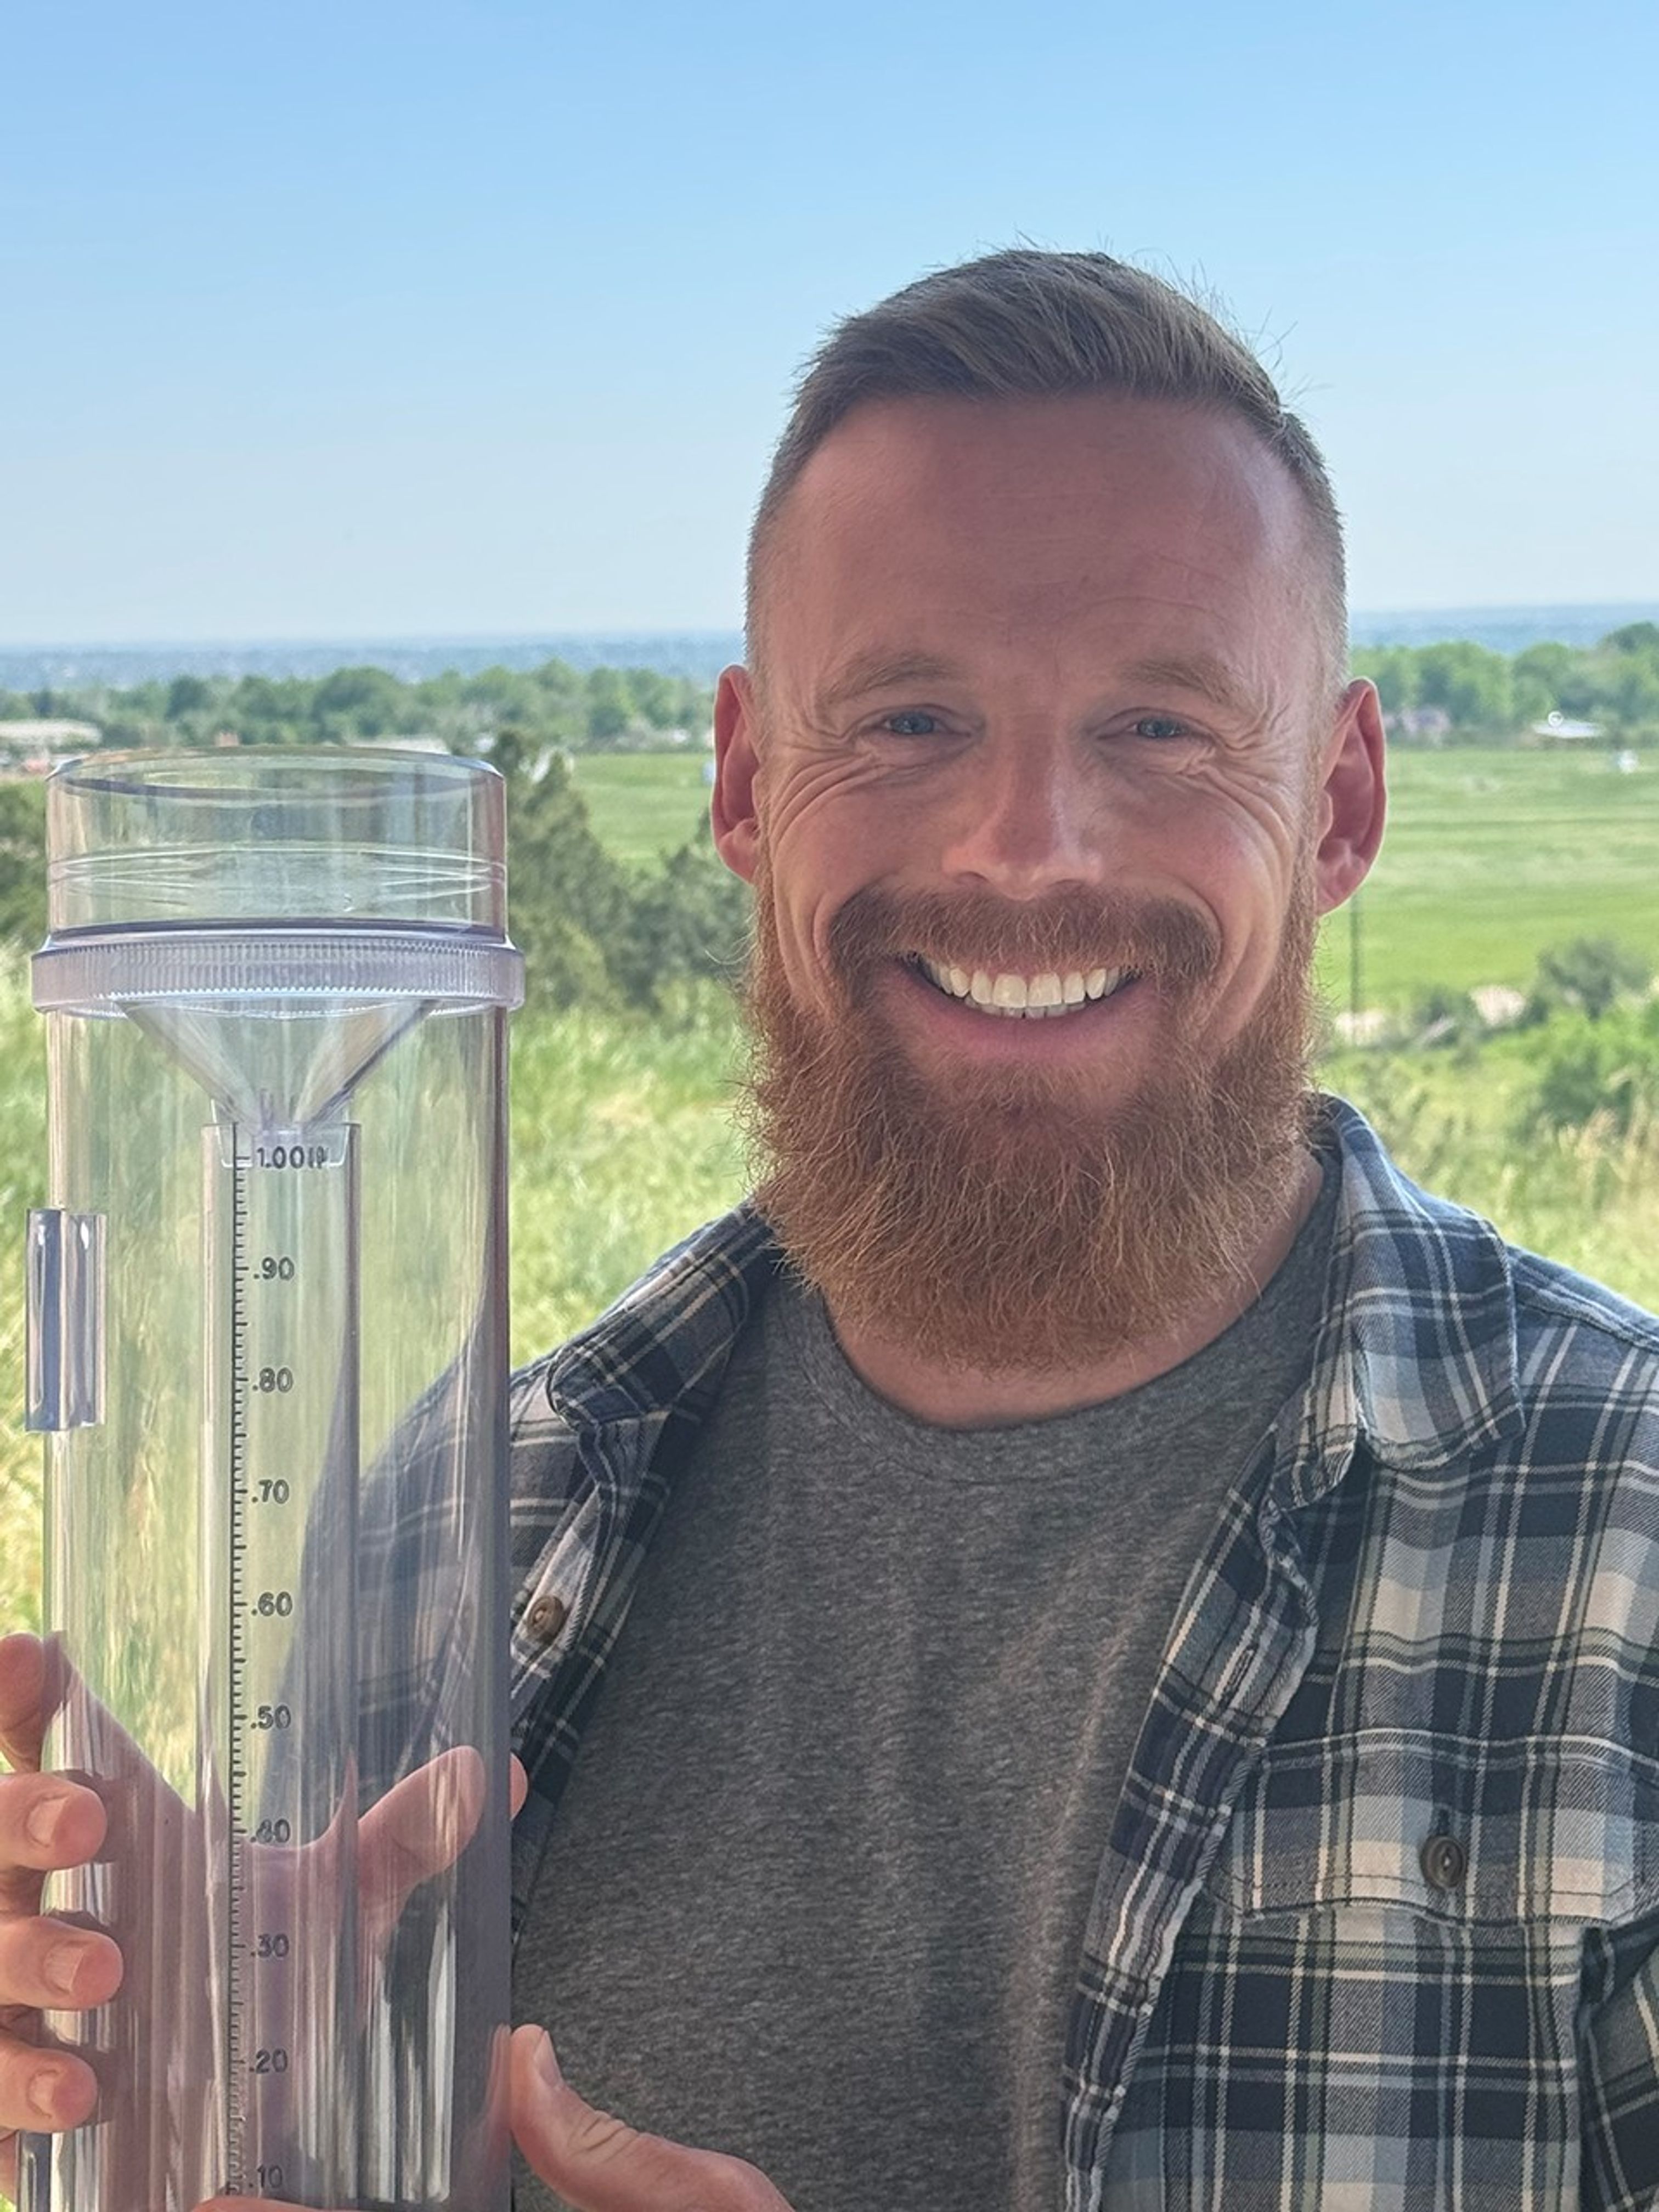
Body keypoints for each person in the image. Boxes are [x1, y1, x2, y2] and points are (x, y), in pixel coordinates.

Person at [4, 249, 1659, 2210]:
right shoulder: (444, 1536)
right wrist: (182, 2082)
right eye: (908, 723)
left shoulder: (1616, 1552)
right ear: (742, 781)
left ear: (1340, 805)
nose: (1022, 847)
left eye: (1157, 728)